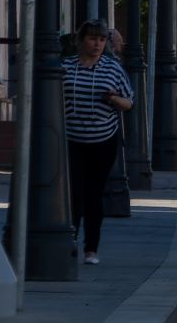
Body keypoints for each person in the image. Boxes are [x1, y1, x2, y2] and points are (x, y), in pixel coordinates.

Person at [63, 20, 134, 265]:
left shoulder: (112, 69)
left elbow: (129, 103)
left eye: (102, 40)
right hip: (72, 139)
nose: (97, 44)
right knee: (73, 193)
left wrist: (114, 99)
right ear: (81, 40)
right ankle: (69, 239)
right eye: (93, 39)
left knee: (93, 194)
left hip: (102, 140)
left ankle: (91, 248)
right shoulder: (67, 67)